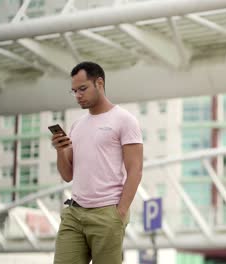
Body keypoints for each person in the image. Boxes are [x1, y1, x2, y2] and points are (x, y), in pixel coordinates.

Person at [51, 61, 143, 264]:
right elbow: (68, 175)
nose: (77, 96)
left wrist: (119, 213)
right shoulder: (77, 125)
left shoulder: (124, 120)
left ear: (99, 83)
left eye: (82, 89)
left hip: (107, 213)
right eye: (74, 91)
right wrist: (60, 150)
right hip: (74, 213)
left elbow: (135, 170)